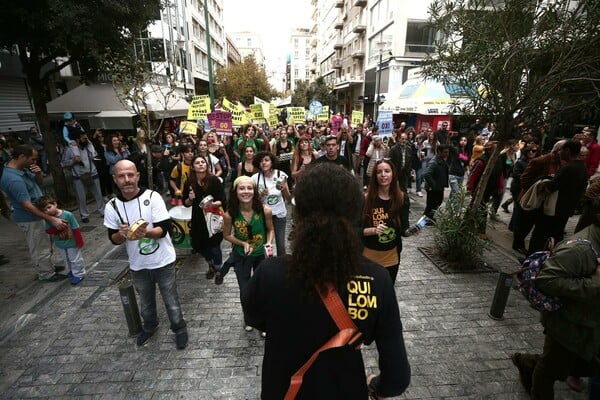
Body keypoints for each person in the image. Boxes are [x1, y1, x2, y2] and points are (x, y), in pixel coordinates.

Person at [241, 163, 411, 399]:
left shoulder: (269, 273)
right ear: (354, 213)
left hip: (284, 391)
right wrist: (375, 385)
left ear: (298, 212)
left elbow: (254, 317)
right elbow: (398, 377)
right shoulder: (376, 279)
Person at [510, 196, 600, 399]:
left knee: (567, 365)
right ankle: (530, 365)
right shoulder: (578, 249)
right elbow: (547, 280)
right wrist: (594, 283)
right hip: (568, 326)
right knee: (549, 371)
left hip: (590, 324)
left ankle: (530, 362)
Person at [103, 160, 188, 349]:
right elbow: (113, 239)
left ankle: (179, 327)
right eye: (122, 176)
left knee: (170, 298)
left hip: (162, 261)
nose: (127, 180)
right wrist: (121, 234)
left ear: (137, 176)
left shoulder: (153, 197)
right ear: (115, 179)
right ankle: (149, 326)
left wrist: (143, 233)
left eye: (130, 175)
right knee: (146, 300)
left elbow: (164, 230)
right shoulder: (112, 206)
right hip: (138, 264)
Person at [0, 145, 68, 281]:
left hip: (37, 215)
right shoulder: (13, 179)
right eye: (32, 159)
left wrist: (37, 174)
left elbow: (39, 184)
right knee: (39, 246)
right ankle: (46, 274)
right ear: (21, 157)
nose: (34, 162)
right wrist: (51, 218)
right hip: (30, 218)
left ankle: (47, 266)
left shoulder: (22, 170)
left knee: (44, 243)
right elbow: (27, 205)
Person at [222, 176, 274, 332]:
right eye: (242, 188)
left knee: (262, 289)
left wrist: (269, 243)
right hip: (241, 258)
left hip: (260, 257)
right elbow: (226, 235)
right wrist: (243, 243)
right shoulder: (229, 214)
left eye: (249, 188)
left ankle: (263, 320)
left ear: (254, 191)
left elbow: (270, 230)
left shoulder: (265, 211)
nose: (246, 192)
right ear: (235, 191)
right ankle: (249, 318)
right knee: (245, 290)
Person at [528, 139, 588, 253]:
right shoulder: (582, 167)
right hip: (565, 211)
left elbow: (551, 187)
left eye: (561, 150)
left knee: (540, 237)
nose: (559, 153)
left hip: (553, 211)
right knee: (555, 237)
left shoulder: (569, 168)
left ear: (568, 151)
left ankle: (532, 262)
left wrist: (543, 180)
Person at [362, 159, 411, 283]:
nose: (383, 174)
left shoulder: (402, 198)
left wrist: (411, 231)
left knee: (387, 294)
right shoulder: (366, 199)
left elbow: (404, 229)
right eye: (379, 172)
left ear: (393, 174)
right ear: (375, 176)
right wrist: (373, 230)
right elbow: (355, 229)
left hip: (392, 256)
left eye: (387, 171)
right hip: (368, 256)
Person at [183, 155, 226, 282]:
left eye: (203, 162)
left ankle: (219, 270)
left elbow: (222, 200)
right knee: (201, 244)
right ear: (193, 167)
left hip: (213, 216)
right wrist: (190, 198)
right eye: (197, 163)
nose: (201, 164)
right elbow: (185, 203)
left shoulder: (214, 180)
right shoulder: (189, 182)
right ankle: (211, 265)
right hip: (198, 218)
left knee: (214, 245)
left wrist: (212, 204)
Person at [36, 196, 86, 285]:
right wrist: (57, 228)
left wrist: (79, 241)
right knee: (66, 259)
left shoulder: (68, 214)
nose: (47, 211)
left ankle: (79, 274)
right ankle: (71, 270)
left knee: (75, 259)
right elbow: (48, 230)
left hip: (71, 242)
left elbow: (75, 228)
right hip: (60, 243)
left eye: (49, 207)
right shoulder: (48, 218)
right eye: (44, 210)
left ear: (55, 204)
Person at [252, 151, 291, 256]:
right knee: (265, 245)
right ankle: (267, 267)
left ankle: (281, 268)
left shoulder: (280, 175)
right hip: (263, 215)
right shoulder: (255, 178)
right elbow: (252, 201)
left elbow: (288, 198)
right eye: (261, 161)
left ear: (272, 162)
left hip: (279, 215)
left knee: (281, 246)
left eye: (266, 160)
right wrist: (261, 195)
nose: (263, 163)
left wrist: (284, 189)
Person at [61, 131, 105, 223]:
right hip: (78, 176)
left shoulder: (89, 146)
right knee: (81, 197)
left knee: (98, 194)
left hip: (93, 173)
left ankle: (102, 211)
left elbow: (95, 156)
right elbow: (63, 163)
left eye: (86, 138)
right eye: (83, 138)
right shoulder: (70, 149)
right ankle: (84, 215)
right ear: (77, 139)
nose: (86, 140)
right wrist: (73, 161)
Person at [423, 144, 450, 221]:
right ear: (439, 152)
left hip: (439, 187)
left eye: (447, 152)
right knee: (431, 204)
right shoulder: (434, 162)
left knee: (437, 203)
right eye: (445, 152)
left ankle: (429, 217)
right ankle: (426, 219)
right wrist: (433, 184)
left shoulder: (441, 161)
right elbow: (427, 174)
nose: (446, 154)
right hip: (434, 188)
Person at [447, 136, 470, 202]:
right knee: (457, 194)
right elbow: (448, 146)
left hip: (461, 176)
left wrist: (468, 171)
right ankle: (455, 211)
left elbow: (466, 163)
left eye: (465, 140)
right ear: (459, 142)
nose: (463, 141)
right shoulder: (456, 149)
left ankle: (448, 208)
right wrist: (449, 137)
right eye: (461, 140)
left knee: (453, 193)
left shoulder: (467, 152)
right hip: (453, 174)